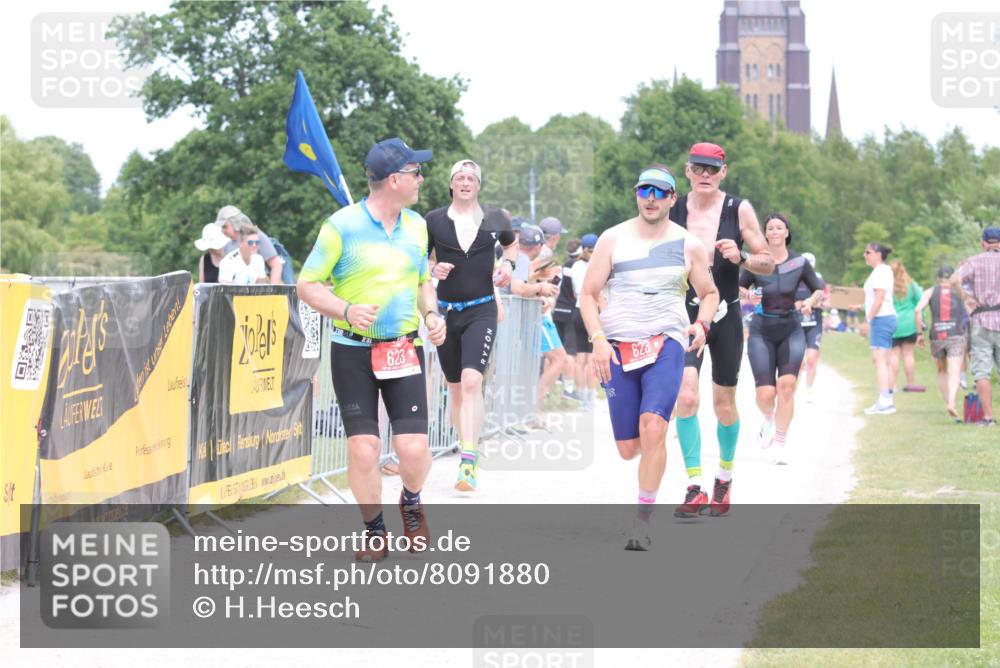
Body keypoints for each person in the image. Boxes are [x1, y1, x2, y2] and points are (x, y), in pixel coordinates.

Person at [297, 137, 446, 562]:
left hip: (403, 348)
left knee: (414, 450)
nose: (422, 179)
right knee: (363, 449)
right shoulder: (341, 226)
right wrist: (344, 307)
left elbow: (422, 280)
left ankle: (412, 502)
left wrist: (432, 315)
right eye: (416, 172)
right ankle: (374, 530)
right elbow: (306, 285)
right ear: (395, 179)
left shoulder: (417, 226)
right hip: (352, 352)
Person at [580, 165, 718, 550]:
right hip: (618, 346)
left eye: (661, 192)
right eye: (645, 191)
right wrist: (598, 340)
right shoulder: (613, 239)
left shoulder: (688, 244)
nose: (652, 198)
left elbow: (709, 293)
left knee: (652, 427)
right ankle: (657, 420)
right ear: (637, 195)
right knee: (629, 448)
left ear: (674, 198)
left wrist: (702, 324)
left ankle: (642, 521)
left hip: (666, 341)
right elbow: (589, 294)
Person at [669, 142, 774, 518]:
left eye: (712, 170)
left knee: (724, 403)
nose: (705, 176)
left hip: (726, 314)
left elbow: (768, 262)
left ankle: (724, 477)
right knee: (685, 394)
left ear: (723, 173)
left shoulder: (738, 209)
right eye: (698, 168)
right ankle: (694, 485)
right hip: (684, 315)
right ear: (687, 171)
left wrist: (742, 256)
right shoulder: (673, 207)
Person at [425, 160, 517, 492]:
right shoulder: (434, 220)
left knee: (471, 380)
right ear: (451, 184)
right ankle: (465, 444)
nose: (465, 182)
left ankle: (468, 460)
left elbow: (510, 246)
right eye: (459, 178)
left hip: (482, 309)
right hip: (447, 311)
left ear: (478, 186)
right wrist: (432, 271)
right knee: (454, 388)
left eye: (471, 178)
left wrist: (508, 264)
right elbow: (422, 260)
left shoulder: (495, 218)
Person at [738, 213, 825, 463]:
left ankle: (780, 442)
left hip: (791, 329)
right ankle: (768, 418)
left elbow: (818, 289)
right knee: (765, 395)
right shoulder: (757, 262)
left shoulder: (799, 263)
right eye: (770, 228)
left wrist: (810, 301)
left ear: (787, 232)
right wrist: (748, 296)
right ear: (765, 234)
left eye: (779, 227)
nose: (775, 231)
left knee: (786, 387)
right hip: (761, 331)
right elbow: (741, 287)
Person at [953, 226, 1000, 426]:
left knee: (982, 372)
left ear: (983, 243)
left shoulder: (974, 261)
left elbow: (954, 279)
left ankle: (989, 417)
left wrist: (967, 296)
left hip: (981, 321)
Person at [915, 266, 968, 422]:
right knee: (954, 371)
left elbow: (917, 311)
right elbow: (971, 306)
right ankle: (952, 402)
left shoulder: (930, 291)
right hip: (956, 334)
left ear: (938, 278)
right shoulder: (960, 292)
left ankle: (947, 402)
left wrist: (919, 334)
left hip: (937, 334)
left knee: (942, 372)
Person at [861, 242, 898, 415]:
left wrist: (868, 319)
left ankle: (885, 401)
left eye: (867, 252)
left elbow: (880, 298)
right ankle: (887, 399)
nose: (865, 255)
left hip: (881, 319)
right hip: (884, 317)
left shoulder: (881, 272)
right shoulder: (881, 272)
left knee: (880, 361)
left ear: (877, 254)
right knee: (885, 361)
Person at [215, 205, 284, 284]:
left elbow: (276, 264)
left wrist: (272, 290)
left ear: (235, 222)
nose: (223, 231)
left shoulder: (256, 236)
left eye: (225, 226)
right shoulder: (227, 246)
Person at [571, 234, 599, 409]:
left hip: (577, 309)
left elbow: (576, 292)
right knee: (591, 359)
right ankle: (591, 397)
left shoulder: (575, 265)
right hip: (592, 311)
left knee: (580, 358)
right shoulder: (597, 266)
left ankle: (581, 399)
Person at [889, 260, 926, 393]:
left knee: (894, 355)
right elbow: (921, 302)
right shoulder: (911, 285)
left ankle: (893, 386)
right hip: (910, 323)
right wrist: (923, 320)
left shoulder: (887, 287)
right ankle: (910, 384)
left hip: (893, 323)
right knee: (908, 354)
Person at [795, 252, 828, 402]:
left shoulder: (819, 281)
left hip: (814, 323)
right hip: (796, 324)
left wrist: (820, 303)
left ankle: (809, 389)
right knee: (799, 360)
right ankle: (793, 387)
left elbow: (827, 301)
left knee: (812, 358)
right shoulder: (793, 280)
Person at [553, 240, 582, 399]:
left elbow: (555, 285)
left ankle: (552, 384)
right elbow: (575, 293)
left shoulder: (563, 266)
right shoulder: (578, 268)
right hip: (571, 311)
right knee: (570, 352)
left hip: (557, 310)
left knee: (556, 349)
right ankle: (568, 390)